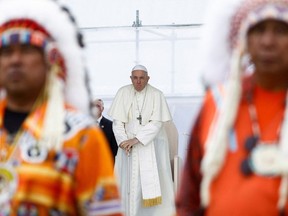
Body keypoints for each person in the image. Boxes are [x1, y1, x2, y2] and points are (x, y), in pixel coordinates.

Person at [0, 0, 123, 215]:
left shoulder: (81, 135)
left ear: (51, 62)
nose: (15, 60)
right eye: (6, 52)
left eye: (28, 49)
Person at [176, 0, 288, 215]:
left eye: (281, 31)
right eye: (258, 30)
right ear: (244, 41)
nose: (268, 41)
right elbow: (190, 194)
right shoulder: (218, 102)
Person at [109, 65, 175, 216]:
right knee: (127, 183)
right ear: (131, 78)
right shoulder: (123, 92)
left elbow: (157, 123)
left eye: (142, 78)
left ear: (148, 79)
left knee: (149, 183)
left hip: (150, 145)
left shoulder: (157, 94)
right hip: (127, 147)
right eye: (135, 78)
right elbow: (117, 122)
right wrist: (123, 141)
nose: (138, 82)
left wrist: (136, 139)